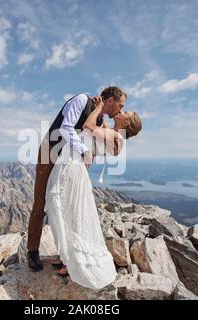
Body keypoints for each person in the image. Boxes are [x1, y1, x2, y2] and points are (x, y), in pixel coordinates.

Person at [44, 96, 142, 289]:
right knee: (66, 210)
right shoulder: (111, 132)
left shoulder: (115, 137)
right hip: (74, 164)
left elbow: (88, 125)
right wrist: (103, 110)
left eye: (125, 113)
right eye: (123, 109)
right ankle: (66, 256)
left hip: (74, 166)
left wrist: (98, 107)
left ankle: (73, 262)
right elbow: (97, 131)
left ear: (127, 122)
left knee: (68, 211)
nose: (121, 112)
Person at [27, 87, 128, 272]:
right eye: (120, 105)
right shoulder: (82, 100)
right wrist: (84, 151)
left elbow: (106, 143)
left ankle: (65, 254)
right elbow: (66, 128)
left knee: (67, 206)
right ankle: (32, 252)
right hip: (49, 153)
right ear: (110, 100)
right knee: (41, 203)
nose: (120, 110)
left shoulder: (99, 117)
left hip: (67, 162)